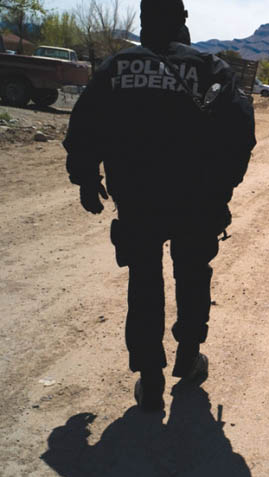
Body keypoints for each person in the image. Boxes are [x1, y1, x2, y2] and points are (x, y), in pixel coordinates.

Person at [62, 0, 256, 412]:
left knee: (144, 280)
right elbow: (240, 132)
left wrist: (85, 178)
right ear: (182, 22)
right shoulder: (210, 68)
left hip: (137, 198)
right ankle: (188, 354)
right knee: (192, 273)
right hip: (196, 200)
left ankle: (149, 377)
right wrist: (222, 190)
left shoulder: (117, 67)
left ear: (143, 21)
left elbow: (84, 124)